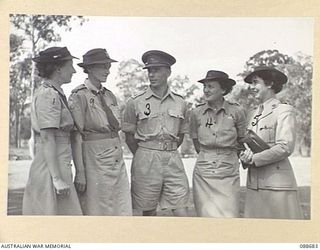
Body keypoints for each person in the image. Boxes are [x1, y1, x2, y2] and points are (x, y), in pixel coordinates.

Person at [122, 50, 190, 216]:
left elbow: (181, 134)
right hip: (146, 158)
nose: (151, 74)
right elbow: (129, 135)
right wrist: (145, 153)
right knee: (148, 210)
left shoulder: (180, 102)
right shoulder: (136, 102)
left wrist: (167, 148)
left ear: (168, 72)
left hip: (173, 158)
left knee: (181, 208)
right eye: (149, 71)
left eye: (157, 70)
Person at [68, 48, 132, 216]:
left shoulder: (109, 96)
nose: (107, 71)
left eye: (108, 66)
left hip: (116, 155)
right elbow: (76, 137)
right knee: (99, 207)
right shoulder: (79, 96)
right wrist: (80, 172)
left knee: (121, 206)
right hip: (94, 156)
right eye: (102, 66)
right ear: (89, 68)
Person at [23, 47, 82, 215]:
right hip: (50, 166)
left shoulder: (56, 93)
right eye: (70, 65)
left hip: (58, 161)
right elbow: (48, 138)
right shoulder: (48, 95)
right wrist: (56, 179)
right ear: (58, 68)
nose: (74, 70)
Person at [240, 66, 303, 219]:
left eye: (256, 83)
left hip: (277, 185)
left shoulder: (284, 110)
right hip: (254, 185)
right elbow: (248, 145)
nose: (252, 88)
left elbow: (285, 146)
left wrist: (254, 159)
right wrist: (244, 157)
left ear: (269, 84)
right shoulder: (252, 114)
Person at [189, 70, 246, 217]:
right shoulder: (196, 113)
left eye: (211, 86)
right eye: (205, 86)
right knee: (205, 216)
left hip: (228, 170)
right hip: (204, 171)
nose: (206, 90)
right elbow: (196, 141)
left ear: (223, 89)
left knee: (229, 216)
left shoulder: (236, 111)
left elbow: (242, 140)